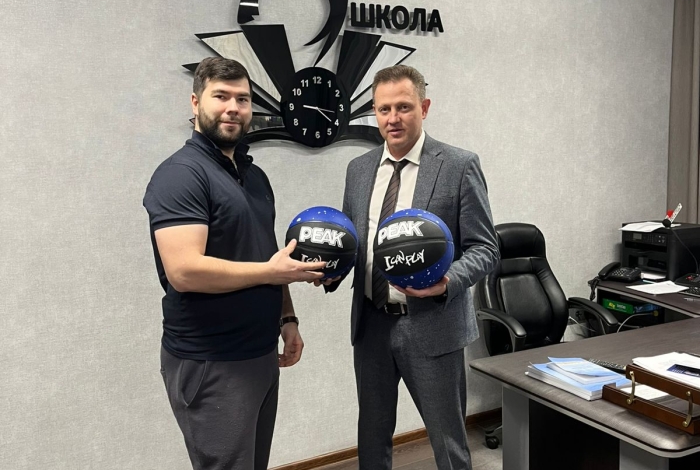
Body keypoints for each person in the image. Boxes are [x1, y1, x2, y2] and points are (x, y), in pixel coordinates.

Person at [143, 57, 325, 470]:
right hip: (212, 361)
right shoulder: (181, 175)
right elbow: (184, 271)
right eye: (221, 96)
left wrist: (287, 319)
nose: (233, 108)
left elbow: (268, 253)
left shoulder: (252, 176)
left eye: (242, 99)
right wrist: (271, 272)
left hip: (259, 353)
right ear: (195, 103)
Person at [322, 65, 499, 469]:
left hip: (432, 326)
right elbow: (355, 245)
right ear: (374, 112)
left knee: (449, 444)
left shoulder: (458, 165)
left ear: (424, 107)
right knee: (372, 440)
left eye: (403, 107)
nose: (393, 118)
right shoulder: (358, 169)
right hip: (371, 325)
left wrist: (447, 281)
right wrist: (331, 271)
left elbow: (486, 248)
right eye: (383, 109)